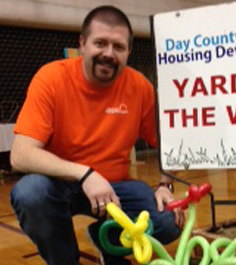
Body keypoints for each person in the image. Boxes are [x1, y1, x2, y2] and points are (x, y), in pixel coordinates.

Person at [10, 5, 184, 265]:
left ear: (128, 52)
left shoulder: (140, 88)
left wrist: (165, 185)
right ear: (82, 43)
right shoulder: (51, 78)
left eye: (118, 47)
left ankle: (108, 243)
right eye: (100, 43)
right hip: (63, 185)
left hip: (117, 187)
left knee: (169, 220)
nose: (109, 54)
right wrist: (85, 174)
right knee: (30, 192)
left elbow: (172, 144)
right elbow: (20, 155)